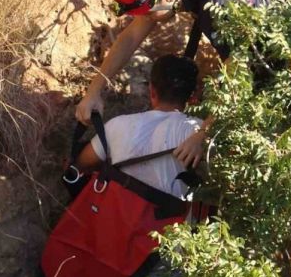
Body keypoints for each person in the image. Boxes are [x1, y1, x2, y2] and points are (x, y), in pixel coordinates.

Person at [75, 0, 282, 168]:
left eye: (148, 14)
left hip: (283, 63)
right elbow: (131, 37)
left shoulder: (218, 7)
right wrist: (93, 91)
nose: (146, 20)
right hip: (258, 41)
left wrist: (202, 135)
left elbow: (238, 78)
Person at [75, 54, 202, 198]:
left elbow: (82, 163)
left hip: (114, 213)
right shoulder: (199, 132)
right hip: (167, 219)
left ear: (152, 90)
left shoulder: (117, 125)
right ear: (193, 98)